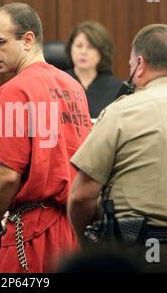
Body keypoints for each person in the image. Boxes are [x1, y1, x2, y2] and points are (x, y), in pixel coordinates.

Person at [0, 2, 92, 273]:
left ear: (28, 40)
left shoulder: (15, 90)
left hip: (32, 233)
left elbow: (8, 176)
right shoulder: (74, 86)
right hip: (72, 229)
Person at [68, 24, 167, 273]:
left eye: (131, 64)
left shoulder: (121, 111)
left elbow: (82, 196)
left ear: (140, 64)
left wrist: (84, 244)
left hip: (132, 252)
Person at [65, 21, 122, 118]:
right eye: (79, 46)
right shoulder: (58, 82)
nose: (83, 52)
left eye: (90, 47)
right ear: (70, 49)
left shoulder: (118, 89)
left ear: (102, 52)